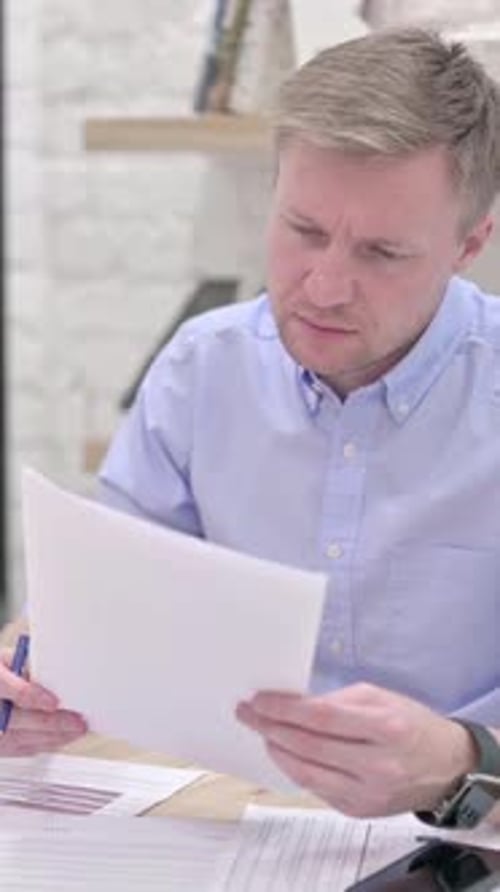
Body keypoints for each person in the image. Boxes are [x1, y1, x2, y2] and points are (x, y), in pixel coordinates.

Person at [1, 26, 500, 821]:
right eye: (303, 231)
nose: (326, 286)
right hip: (218, 820)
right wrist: (31, 682)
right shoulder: (202, 368)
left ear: (471, 242)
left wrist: (462, 764)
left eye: (382, 253)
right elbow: (107, 610)